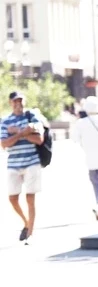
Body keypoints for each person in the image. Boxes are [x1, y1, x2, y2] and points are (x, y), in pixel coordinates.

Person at [2, 91, 44, 244]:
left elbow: (39, 139)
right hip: (14, 163)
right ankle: (26, 222)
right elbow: (4, 143)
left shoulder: (31, 117)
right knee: (13, 198)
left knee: (30, 197)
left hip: (31, 161)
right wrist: (23, 133)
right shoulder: (5, 121)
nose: (18, 104)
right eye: (15, 101)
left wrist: (17, 133)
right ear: (10, 103)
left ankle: (30, 233)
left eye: (20, 101)